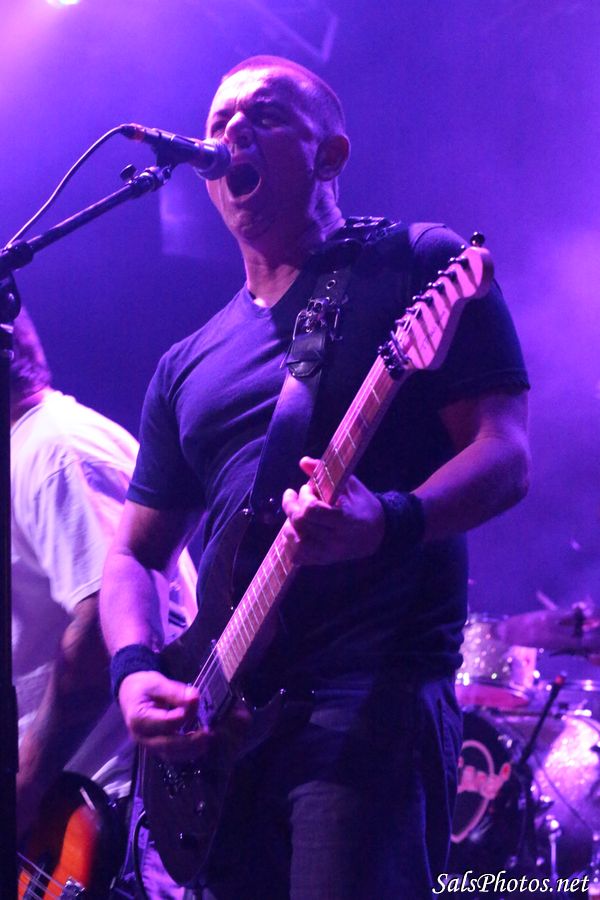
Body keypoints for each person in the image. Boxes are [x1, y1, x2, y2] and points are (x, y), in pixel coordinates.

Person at [100, 55, 530, 899]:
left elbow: (505, 453)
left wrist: (391, 519)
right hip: (223, 726)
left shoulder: (416, 262)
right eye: (218, 122)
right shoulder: (186, 362)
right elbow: (135, 555)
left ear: (330, 155)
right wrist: (135, 670)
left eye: (263, 115)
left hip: (367, 701)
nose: (231, 133)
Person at [10, 306, 197, 892]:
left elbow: (103, 628)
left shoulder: (55, 451)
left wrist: (25, 786)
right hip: (59, 831)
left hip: (110, 825)